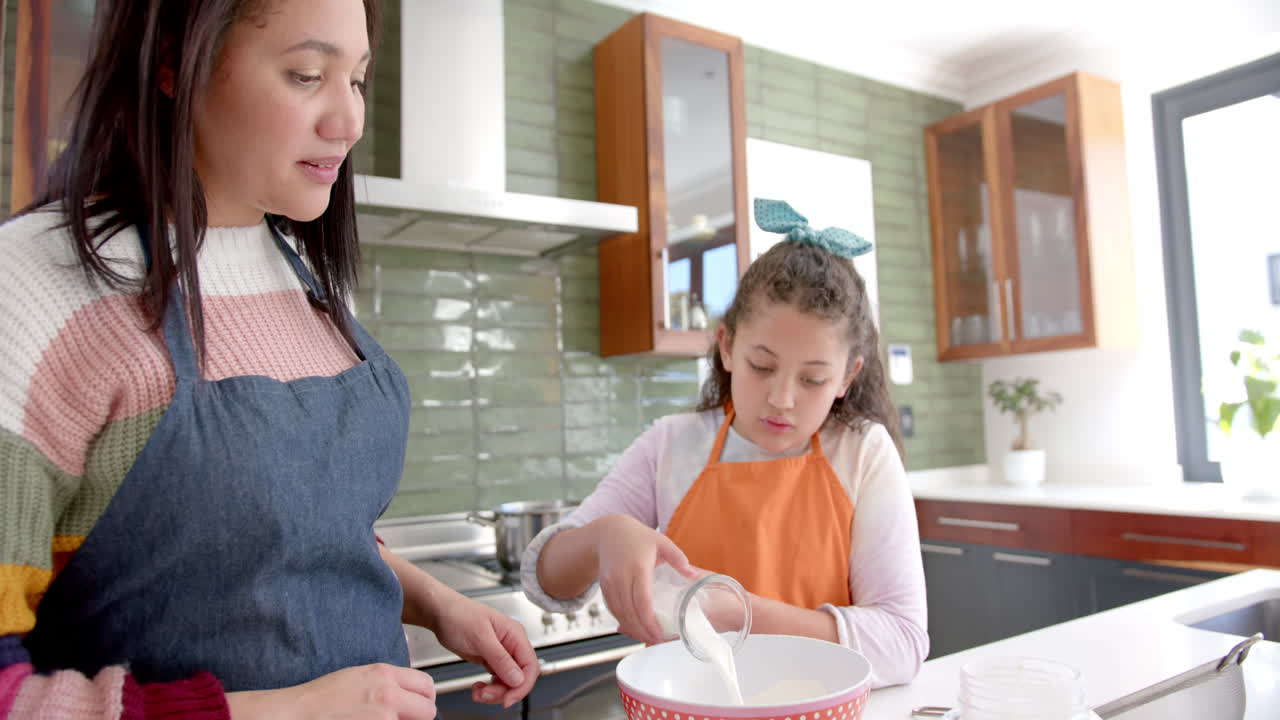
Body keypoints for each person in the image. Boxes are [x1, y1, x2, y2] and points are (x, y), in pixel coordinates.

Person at [0, 1, 537, 717]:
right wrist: (281, 709)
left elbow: (290, 534)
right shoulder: (36, 288)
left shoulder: (311, 285)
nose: (348, 123)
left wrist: (437, 603)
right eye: (306, 74)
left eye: (357, 80)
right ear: (172, 64)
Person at [522, 198, 929, 687]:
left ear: (847, 376)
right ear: (728, 346)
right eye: (762, 366)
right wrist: (602, 537)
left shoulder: (863, 452)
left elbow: (902, 643)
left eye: (813, 379)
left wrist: (736, 614)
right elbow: (545, 580)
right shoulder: (671, 445)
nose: (782, 399)